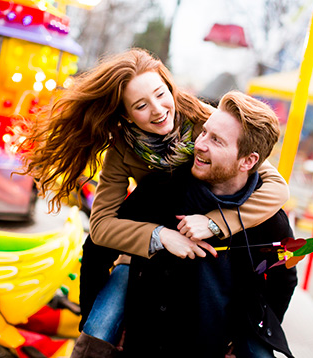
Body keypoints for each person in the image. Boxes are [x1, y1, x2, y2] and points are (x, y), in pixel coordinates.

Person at [17, 49, 289, 356]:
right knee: (102, 319)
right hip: (146, 242)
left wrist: (216, 222)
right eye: (141, 105)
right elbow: (102, 228)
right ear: (126, 114)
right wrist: (160, 236)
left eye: (161, 95)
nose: (159, 110)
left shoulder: (202, 119)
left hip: (204, 238)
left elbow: (274, 185)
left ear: (170, 87)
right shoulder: (124, 149)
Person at [111, 91, 297, 357]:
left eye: (217, 140)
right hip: (144, 345)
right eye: (204, 133)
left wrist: (251, 334)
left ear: (248, 161)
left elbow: (284, 279)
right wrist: (112, 317)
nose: (200, 144)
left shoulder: (271, 221)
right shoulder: (162, 188)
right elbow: (103, 239)